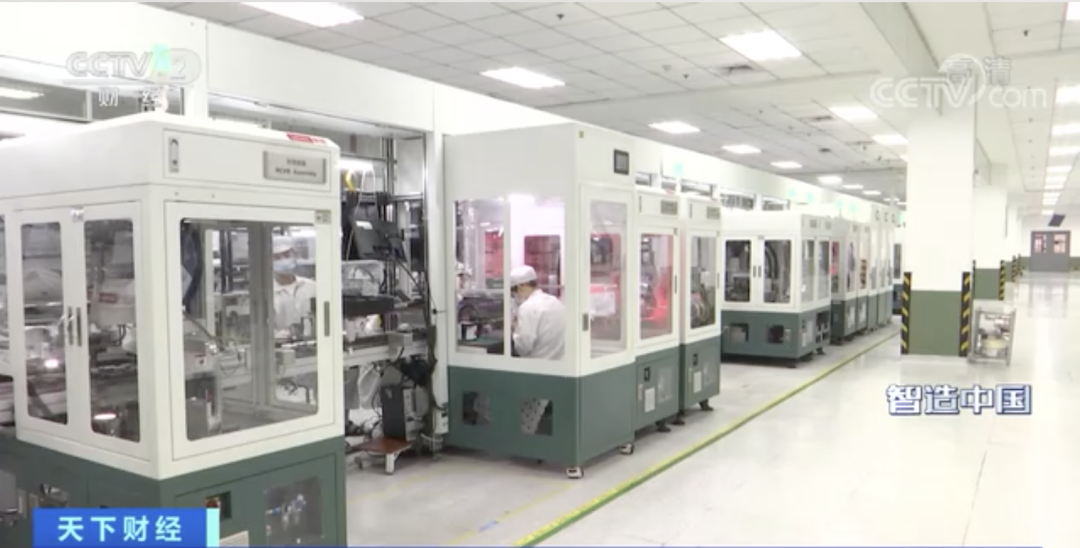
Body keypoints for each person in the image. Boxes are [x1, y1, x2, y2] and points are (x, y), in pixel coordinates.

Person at [509, 265, 565, 360]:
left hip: (536, 365)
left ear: (520, 287)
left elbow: (522, 347)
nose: (515, 296)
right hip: (559, 363)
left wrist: (515, 329)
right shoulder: (556, 301)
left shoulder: (526, 308)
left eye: (513, 292)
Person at [273, 235, 317, 339]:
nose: (283, 260)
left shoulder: (312, 287)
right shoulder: (267, 292)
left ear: (295, 256)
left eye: (287, 255)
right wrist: (274, 336)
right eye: (277, 257)